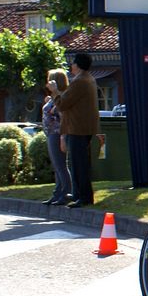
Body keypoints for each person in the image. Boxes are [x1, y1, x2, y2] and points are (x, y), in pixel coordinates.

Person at [48, 53, 100, 209]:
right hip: (84, 127)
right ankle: (79, 195)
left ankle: (83, 197)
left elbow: (62, 104)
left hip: (77, 128)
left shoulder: (80, 82)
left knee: (78, 164)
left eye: (73, 64)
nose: (71, 66)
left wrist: (55, 91)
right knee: (80, 163)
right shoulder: (89, 79)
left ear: (77, 65)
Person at [41, 68, 72, 206]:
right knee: (57, 165)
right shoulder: (54, 98)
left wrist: (63, 137)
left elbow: (63, 116)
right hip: (51, 133)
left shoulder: (61, 97)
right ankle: (58, 192)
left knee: (60, 165)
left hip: (57, 133)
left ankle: (65, 193)